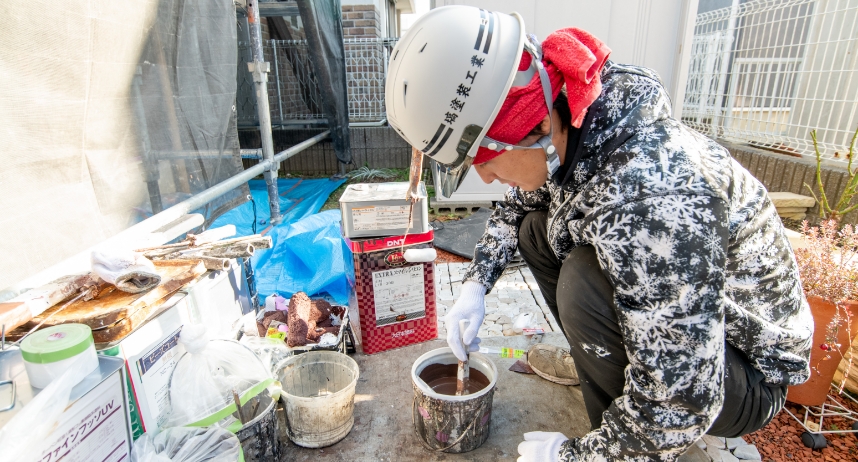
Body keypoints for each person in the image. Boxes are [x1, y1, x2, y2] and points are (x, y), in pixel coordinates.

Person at [385, 6, 813, 461]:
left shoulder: (651, 198)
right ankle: (599, 361)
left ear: (537, 128)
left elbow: (686, 398)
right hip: (690, 339)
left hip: (739, 373)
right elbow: (522, 205)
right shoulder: (577, 120)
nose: (487, 180)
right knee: (534, 230)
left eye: (485, 162)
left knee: (584, 281)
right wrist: (477, 283)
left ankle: (626, 439)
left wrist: (576, 456)